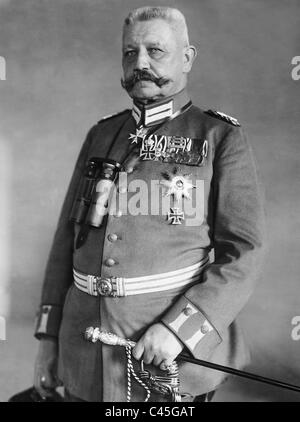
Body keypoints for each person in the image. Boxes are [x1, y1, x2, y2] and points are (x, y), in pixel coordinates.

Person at [33, 6, 265, 402]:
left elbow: (243, 253)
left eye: (155, 51)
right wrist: (49, 337)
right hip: (84, 349)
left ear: (187, 58)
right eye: (129, 52)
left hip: (164, 355)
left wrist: (179, 330)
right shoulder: (102, 134)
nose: (139, 63)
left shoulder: (217, 137)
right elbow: (65, 245)